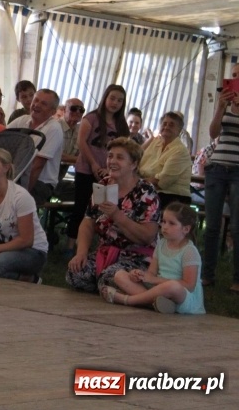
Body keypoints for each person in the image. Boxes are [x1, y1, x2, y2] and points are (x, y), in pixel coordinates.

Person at [66, 137, 160, 294]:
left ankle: (149, 296)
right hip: (105, 253)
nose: (112, 161)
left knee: (110, 276)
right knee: (75, 274)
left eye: (120, 157)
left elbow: (147, 237)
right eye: (110, 156)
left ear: (134, 164)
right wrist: (81, 252)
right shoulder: (104, 184)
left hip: (136, 257)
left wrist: (117, 215)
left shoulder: (145, 192)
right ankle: (113, 289)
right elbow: (88, 221)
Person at [101, 202, 205, 314]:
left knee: (172, 286)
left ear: (186, 229)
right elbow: (151, 273)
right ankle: (158, 304)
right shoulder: (161, 244)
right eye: (164, 222)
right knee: (120, 275)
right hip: (159, 290)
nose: (165, 227)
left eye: (171, 223)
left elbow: (189, 286)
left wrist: (155, 280)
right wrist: (139, 275)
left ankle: (128, 300)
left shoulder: (189, 251)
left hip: (183, 297)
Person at [65, 85, 129, 256]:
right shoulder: (91, 118)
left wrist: (109, 170)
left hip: (109, 174)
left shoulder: (122, 125)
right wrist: (94, 165)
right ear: (105, 98)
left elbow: (124, 149)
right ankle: (71, 246)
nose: (115, 103)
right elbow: (82, 143)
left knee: (104, 210)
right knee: (81, 207)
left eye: (119, 100)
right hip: (86, 170)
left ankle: (97, 247)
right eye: (112, 98)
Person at [0, 148, 49, 281]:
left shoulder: (20, 196)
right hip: (5, 240)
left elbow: (26, 240)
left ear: (6, 168)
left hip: (33, 251)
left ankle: (30, 279)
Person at [202, 62, 239, 292]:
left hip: (238, 170)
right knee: (213, 224)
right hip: (217, 167)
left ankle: (237, 279)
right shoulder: (224, 102)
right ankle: (207, 275)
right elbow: (213, 133)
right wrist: (220, 108)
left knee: (237, 226)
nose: (235, 79)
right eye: (234, 75)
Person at [6, 88, 64, 207]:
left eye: (43, 103)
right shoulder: (22, 120)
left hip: (40, 183)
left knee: (13, 205)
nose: (37, 105)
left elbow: (36, 166)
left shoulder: (54, 128)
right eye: (36, 100)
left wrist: (21, 194)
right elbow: (2, 139)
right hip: (16, 176)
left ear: (53, 111)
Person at [138, 111, 192, 208]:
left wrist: (135, 183)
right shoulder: (155, 143)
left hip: (172, 197)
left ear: (179, 130)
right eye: (164, 124)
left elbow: (162, 182)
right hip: (149, 190)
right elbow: (137, 162)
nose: (166, 127)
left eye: (171, 125)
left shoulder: (180, 151)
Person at [55, 97, 84, 200]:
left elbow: (81, 154)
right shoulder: (55, 127)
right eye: (73, 108)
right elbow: (58, 155)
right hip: (48, 176)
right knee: (80, 194)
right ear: (64, 110)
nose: (77, 112)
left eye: (81, 110)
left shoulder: (80, 130)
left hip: (61, 174)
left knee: (83, 191)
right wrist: (82, 160)